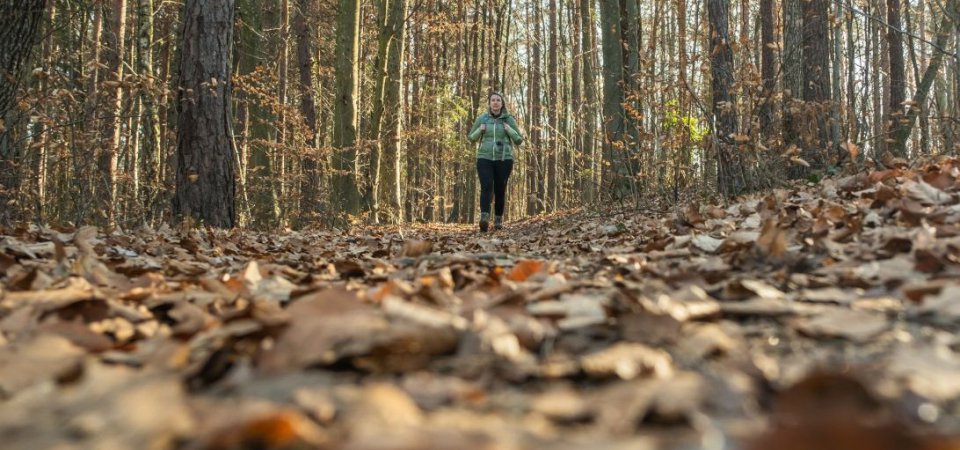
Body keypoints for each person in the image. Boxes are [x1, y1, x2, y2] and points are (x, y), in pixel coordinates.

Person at [467, 92, 523, 232]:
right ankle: (484, 218)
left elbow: (519, 140)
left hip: (504, 159)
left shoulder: (508, 119)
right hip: (484, 157)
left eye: (498, 100)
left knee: (500, 189)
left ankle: (498, 219)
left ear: (502, 103)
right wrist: (480, 130)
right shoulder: (483, 119)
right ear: (490, 103)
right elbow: (471, 138)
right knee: (486, 186)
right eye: (493, 100)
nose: (496, 102)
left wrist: (509, 130)